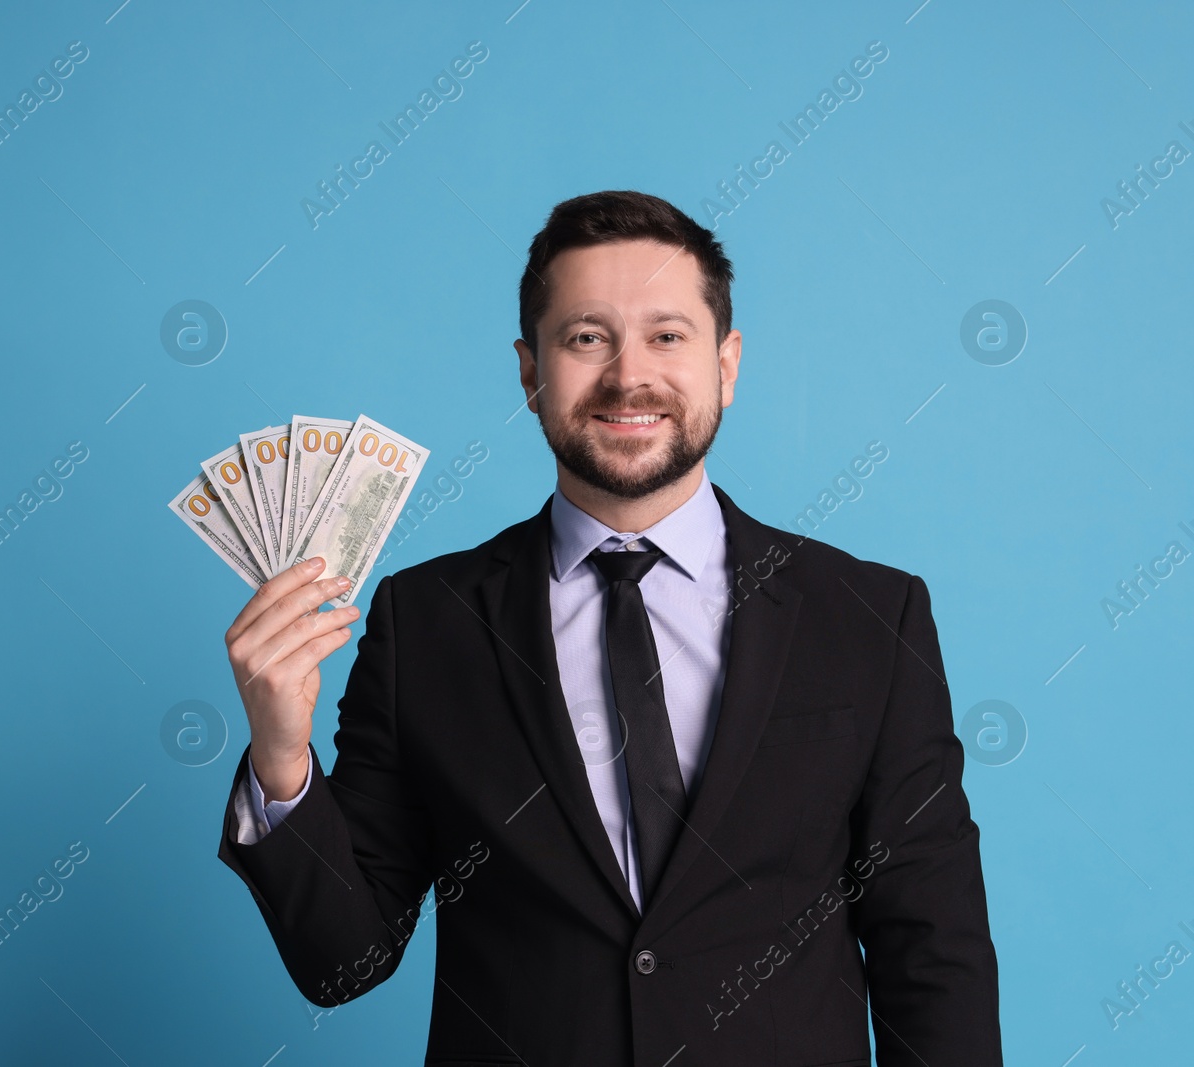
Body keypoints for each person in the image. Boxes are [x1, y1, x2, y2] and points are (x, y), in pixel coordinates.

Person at [217, 190, 1002, 1065]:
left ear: (727, 363)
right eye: (587, 337)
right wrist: (282, 758)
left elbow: (934, 952)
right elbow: (345, 959)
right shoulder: (425, 623)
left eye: (668, 336)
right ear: (530, 370)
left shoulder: (867, 615)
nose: (630, 376)